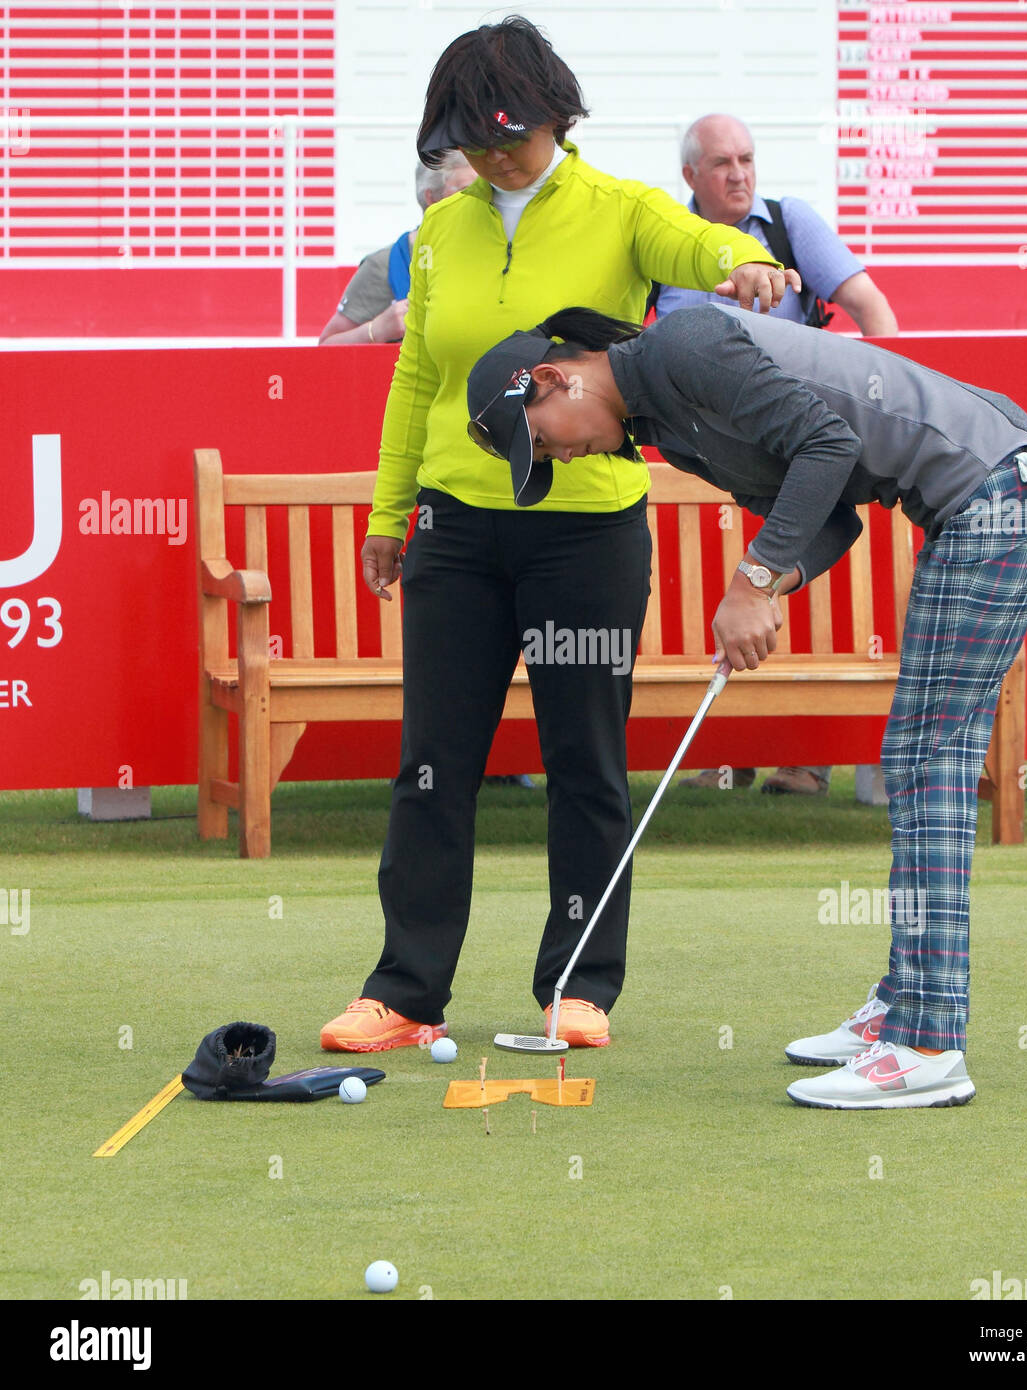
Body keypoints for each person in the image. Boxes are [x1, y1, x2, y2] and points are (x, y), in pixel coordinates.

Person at [319, 16, 798, 1055]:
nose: (495, 155)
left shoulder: (618, 210)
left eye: (512, 134)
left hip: (583, 534)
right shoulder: (438, 236)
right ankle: (404, 989)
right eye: (473, 138)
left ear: (555, 119)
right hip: (454, 532)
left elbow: (703, 246)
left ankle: (577, 985)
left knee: (583, 757)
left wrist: (744, 260)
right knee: (433, 761)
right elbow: (418, 380)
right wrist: (390, 516)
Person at [465, 302, 1027, 1107]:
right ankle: (904, 1005)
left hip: (1000, 495)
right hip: (982, 501)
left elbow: (831, 444)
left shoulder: (682, 343)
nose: (561, 454)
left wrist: (752, 579)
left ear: (553, 377)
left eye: (543, 438)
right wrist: (775, 582)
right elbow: (832, 512)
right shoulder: (667, 427)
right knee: (924, 758)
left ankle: (929, 1042)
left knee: (927, 761)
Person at [661, 113, 900, 797]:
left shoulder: (791, 222)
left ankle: (807, 761)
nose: (738, 173)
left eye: (746, 158)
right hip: (715, 458)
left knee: (794, 575)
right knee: (728, 590)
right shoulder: (669, 243)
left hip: (803, 446)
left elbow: (869, 306)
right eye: (720, 163)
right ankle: (728, 755)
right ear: (690, 178)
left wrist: (885, 398)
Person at [317, 153, 476, 345]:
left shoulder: (498, 254)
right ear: (432, 198)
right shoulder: (386, 264)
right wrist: (377, 329)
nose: (481, 199)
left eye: (484, 190)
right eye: (466, 191)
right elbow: (327, 345)